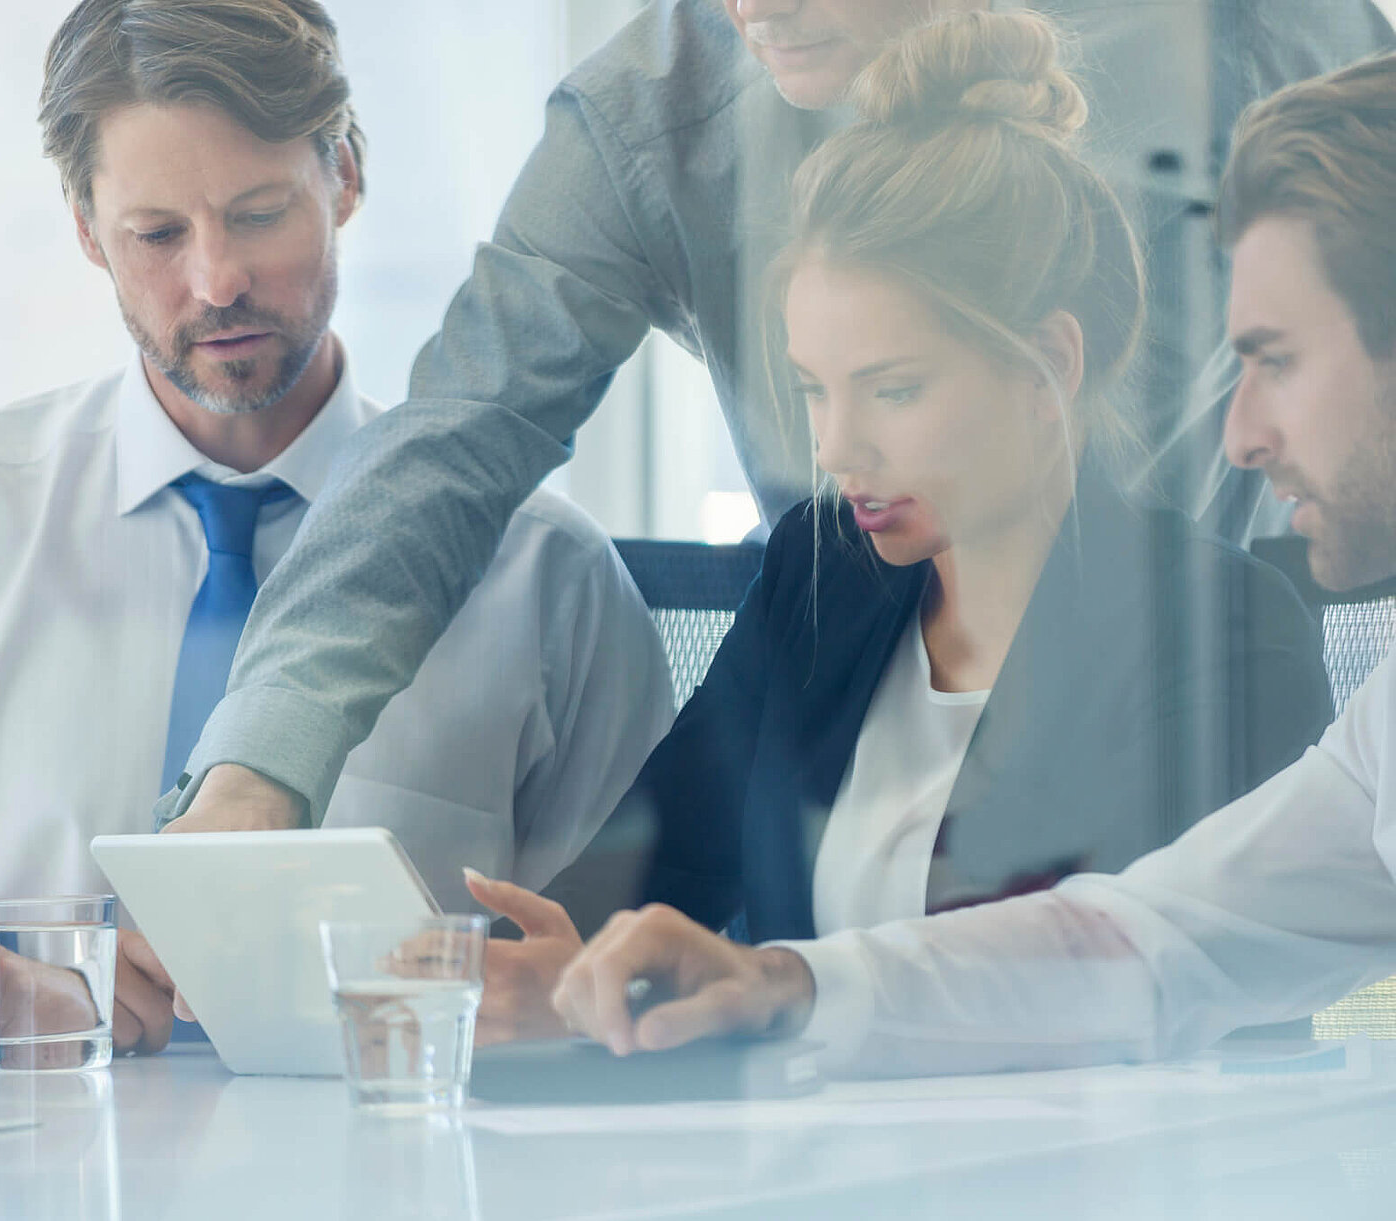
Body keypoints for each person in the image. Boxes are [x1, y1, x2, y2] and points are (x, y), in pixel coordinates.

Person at [0, 0, 674, 1057]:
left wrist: (573, 1008)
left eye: (260, 213)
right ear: (87, 228)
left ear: (346, 180)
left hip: (403, 1189)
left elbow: (674, 962)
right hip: (35, 1192)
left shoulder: (542, 574)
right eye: (157, 234)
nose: (215, 280)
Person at [158, 0, 1396, 842]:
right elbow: (453, 442)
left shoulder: (1245, 31)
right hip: (866, 717)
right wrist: (260, 768)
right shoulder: (655, 117)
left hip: (1212, 697)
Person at [464, 8, 1332, 1045]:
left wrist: (776, 996)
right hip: (806, 1177)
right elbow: (654, 874)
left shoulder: (1228, 633)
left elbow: (1142, 989)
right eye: (814, 391)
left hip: (1092, 1190)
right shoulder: (821, 574)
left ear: (1048, 364)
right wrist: (543, 960)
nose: (835, 450)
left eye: (893, 389)